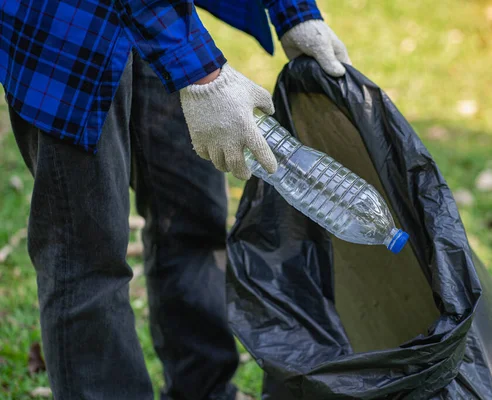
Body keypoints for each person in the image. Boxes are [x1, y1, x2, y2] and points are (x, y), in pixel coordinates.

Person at [0, 0, 350, 399]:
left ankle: (205, 390)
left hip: (164, 15)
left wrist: (295, 13)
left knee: (191, 214)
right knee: (87, 254)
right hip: (69, 23)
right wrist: (203, 76)